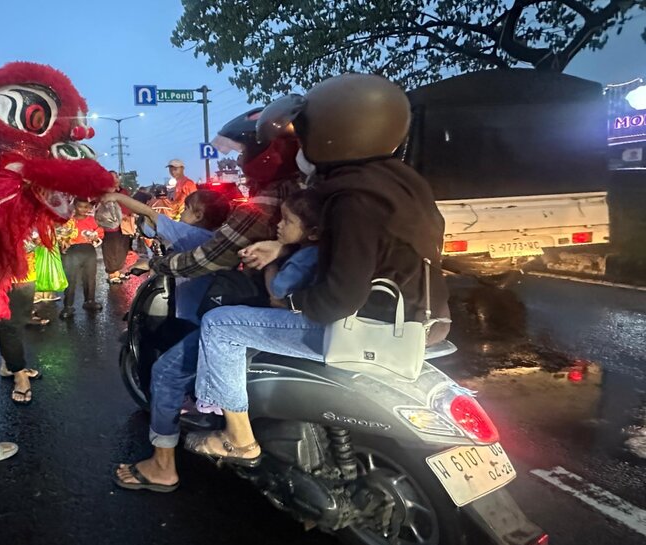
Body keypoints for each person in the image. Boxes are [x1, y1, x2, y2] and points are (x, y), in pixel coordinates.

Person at [183, 74, 451, 466]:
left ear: (333, 135)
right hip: (424, 319)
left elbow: (338, 300)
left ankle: (238, 439)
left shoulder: (353, 199)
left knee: (220, 325)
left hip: (368, 328)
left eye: (305, 134)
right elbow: (363, 250)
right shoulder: (401, 184)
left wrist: (288, 299)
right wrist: (285, 246)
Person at [114, 108, 302, 492]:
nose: (241, 160)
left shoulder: (263, 205)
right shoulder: (304, 194)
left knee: (167, 372)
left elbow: (209, 257)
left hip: (252, 311)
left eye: (245, 151)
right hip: (288, 305)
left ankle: (164, 465)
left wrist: (157, 264)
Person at [0, 236, 42, 405]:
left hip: (27, 272)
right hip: (1, 275)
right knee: (8, 325)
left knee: (19, 321)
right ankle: (19, 374)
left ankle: (9, 365)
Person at [59, 198, 103, 319]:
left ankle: (90, 301)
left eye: (86, 207)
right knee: (71, 279)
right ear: (74, 207)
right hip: (73, 251)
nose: (83, 209)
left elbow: (100, 232)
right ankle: (68, 306)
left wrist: (95, 237)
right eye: (80, 206)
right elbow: (62, 236)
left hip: (89, 250)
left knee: (90, 277)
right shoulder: (69, 221)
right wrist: (63, 243)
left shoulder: (92, 220)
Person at [101, 171, 133, 285]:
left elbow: (129, 204)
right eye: (111, 178)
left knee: (122, 249)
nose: (115, 180)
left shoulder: (123, 192)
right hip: (110, 227)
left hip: (124, 225)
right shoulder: (104, 193)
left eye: (116, 178)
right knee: (111, 250)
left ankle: (118, 271)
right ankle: (112, 273)